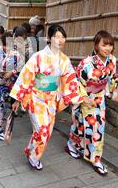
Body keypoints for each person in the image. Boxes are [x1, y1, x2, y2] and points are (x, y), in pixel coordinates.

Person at [10, 24, 87, 171]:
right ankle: (33, 156)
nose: (60, 40)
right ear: (49, 38)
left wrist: (79, 97)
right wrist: (17, 99)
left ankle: (31, 151)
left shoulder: (64, 60)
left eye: (63, 37)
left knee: (47, 132)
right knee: (42, 130)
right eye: (56, 36)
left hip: (51, 99)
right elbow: (26, 77)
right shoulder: (38, 57)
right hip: (36, 98)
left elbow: (71, 80)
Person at [67, 30, 118, 176]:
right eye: (104, 45)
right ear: (96, 45)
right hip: (85, 98)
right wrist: (84, 97)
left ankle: (95, 159)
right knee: (80, 125)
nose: (108, 48)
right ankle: (72, 145)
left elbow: (112, 78)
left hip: (99, 97)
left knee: (97, 129)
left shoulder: (112, 60)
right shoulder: (86, 63)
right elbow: (76, 81)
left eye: (110, 45)